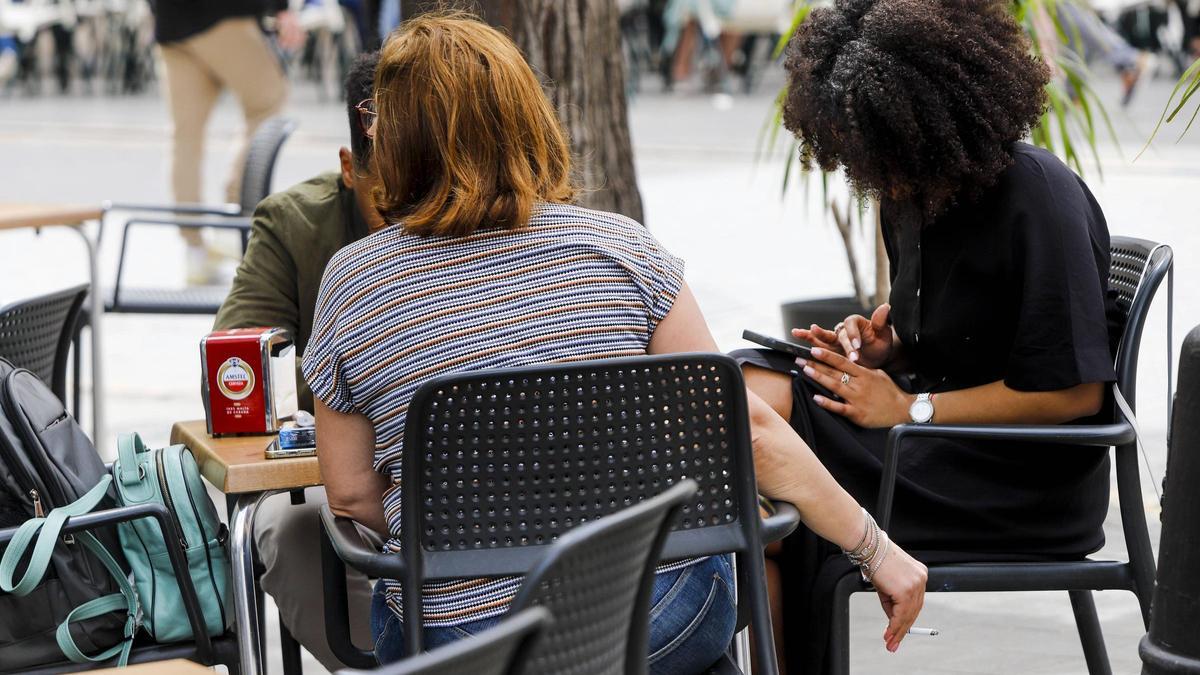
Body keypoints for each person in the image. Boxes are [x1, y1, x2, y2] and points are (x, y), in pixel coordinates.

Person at [303, 13, 926, 673]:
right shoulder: (623, 250)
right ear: (524, 118)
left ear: (394, 138)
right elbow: (746, 431)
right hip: (660, 613)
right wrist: (876, 549)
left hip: (457, 642)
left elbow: (348, 497)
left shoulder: (352, 281)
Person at [736, 0, 1123, 671]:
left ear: (926, 120)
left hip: (1018, 479)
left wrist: (910, 406)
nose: (876, 174)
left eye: (880, 149)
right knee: (743, 394)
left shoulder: (1039, 197)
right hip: (932, 441)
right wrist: (886, 345)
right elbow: (954, 333)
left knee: (753, 430)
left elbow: (1074, 394)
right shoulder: (915, 195)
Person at [212, 52, 384, 671]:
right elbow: (236, 368)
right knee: (288, 532)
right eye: (390, 198)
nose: (412, 220)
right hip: (367, 491)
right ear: (350, 166)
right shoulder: (304, 228)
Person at [149, 0, 304, 283]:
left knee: (186, 136)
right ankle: (233, 220)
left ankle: (193, 248)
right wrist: (281, 7)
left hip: (171, 21)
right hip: (225, 13)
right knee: (267, 101)